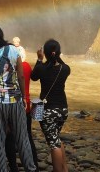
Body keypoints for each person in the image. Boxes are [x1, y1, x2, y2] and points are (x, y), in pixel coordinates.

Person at [0, 23, 36, 172]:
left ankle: (3, 169)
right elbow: (21, 76)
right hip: (15, 100)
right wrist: (23, 96)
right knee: (23, 138)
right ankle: (30, 168)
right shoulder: (14, 50)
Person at [31, 39, 71, 172]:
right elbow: (61, 65)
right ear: (59, 52)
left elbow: (33, 76)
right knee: (56, 138)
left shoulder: (41, 68)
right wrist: (57, 57)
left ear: (45, 53)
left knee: (53, 144)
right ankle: (64, 169)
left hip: (48, 111)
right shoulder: (65, 69)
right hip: (63, 110)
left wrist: (39, 59)